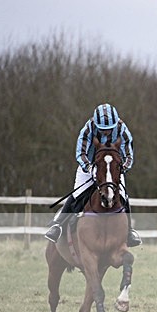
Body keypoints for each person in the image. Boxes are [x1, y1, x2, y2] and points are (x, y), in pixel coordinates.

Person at [45, 103, 140, 246]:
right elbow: (81, 153)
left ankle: (129, 232)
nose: (106, 132)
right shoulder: (88, 129)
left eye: (109, 129)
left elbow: (129, 156)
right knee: (78, 193)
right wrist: (90, 168)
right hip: (88, 167)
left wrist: (121, 168)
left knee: (122, 195)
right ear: (96, 124)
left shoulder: (122, 130)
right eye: (102, 129)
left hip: (112, 168)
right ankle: (58, 225)